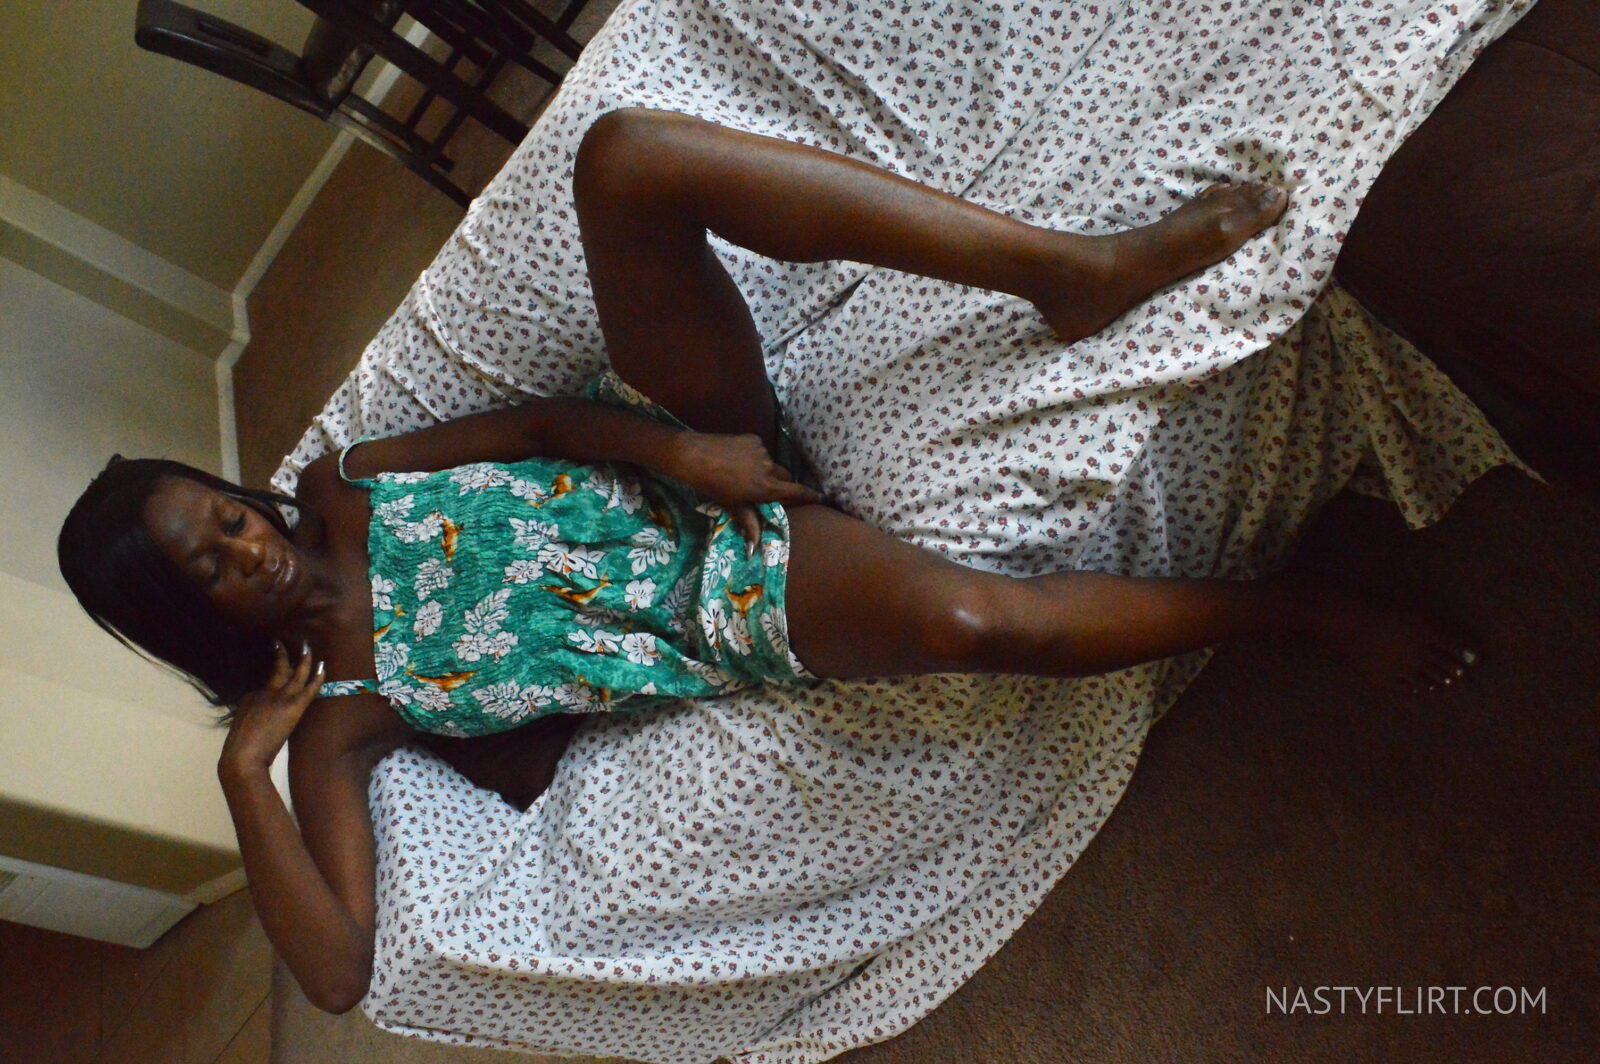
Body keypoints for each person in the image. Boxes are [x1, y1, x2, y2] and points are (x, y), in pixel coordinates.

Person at [57, 109, 1475, 1015]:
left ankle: (1065, 270)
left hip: (687, 446)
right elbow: (337, 974)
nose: (243, 545)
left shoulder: (347, 480)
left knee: (627, 160)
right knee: (980, 626)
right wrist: (242, 777)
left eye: (221, 514)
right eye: (206, 568)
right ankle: (1296, 612)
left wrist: (687, 455)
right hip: (727, 602)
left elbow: (543, 425)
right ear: (190, 619)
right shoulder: (341, 717)